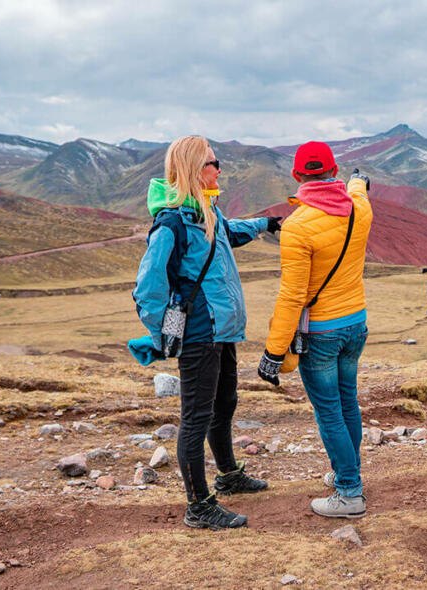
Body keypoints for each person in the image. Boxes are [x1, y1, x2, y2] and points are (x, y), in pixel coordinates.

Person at [130, 135, 282, 530]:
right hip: (199, 335)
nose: (220, 170)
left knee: (225, 403)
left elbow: (229, 232)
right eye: (214, 163)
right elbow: (148, 289)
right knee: (196, 418)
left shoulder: (205, 213)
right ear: (196, 169)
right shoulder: (172, 223)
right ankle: (198, 505)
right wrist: (166, 332)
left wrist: (266, 224)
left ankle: (228, 475)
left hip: (223, 332)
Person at [257, 141, 373, 519]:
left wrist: (274, 353)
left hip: (321, 334)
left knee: (329, 413)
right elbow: (357, 188)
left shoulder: (297, 227)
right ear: (334, 170)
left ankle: (349, 493)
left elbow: (292, 296)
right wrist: (358, 181)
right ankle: (347, 473)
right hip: (355, 324)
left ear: (297, 176)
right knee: (347, 402)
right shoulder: (360, 208)